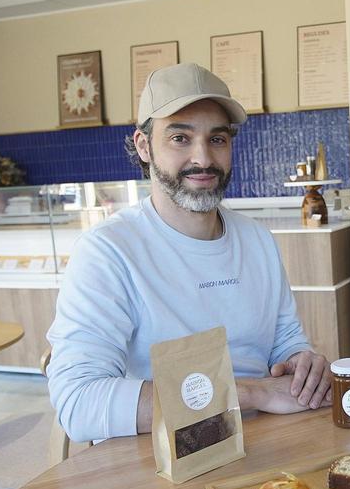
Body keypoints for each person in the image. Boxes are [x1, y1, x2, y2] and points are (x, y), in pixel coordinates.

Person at [48, 63, 331, 443]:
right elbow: (79, 404)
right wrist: (249, 392)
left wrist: (301, 363)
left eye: (217, 139)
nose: (203, 159)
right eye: (180, 138)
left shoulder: (257, 240)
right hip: (157, 454)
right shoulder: (108, 252)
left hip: (266, 438)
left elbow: (285, 339)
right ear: (144, 146)